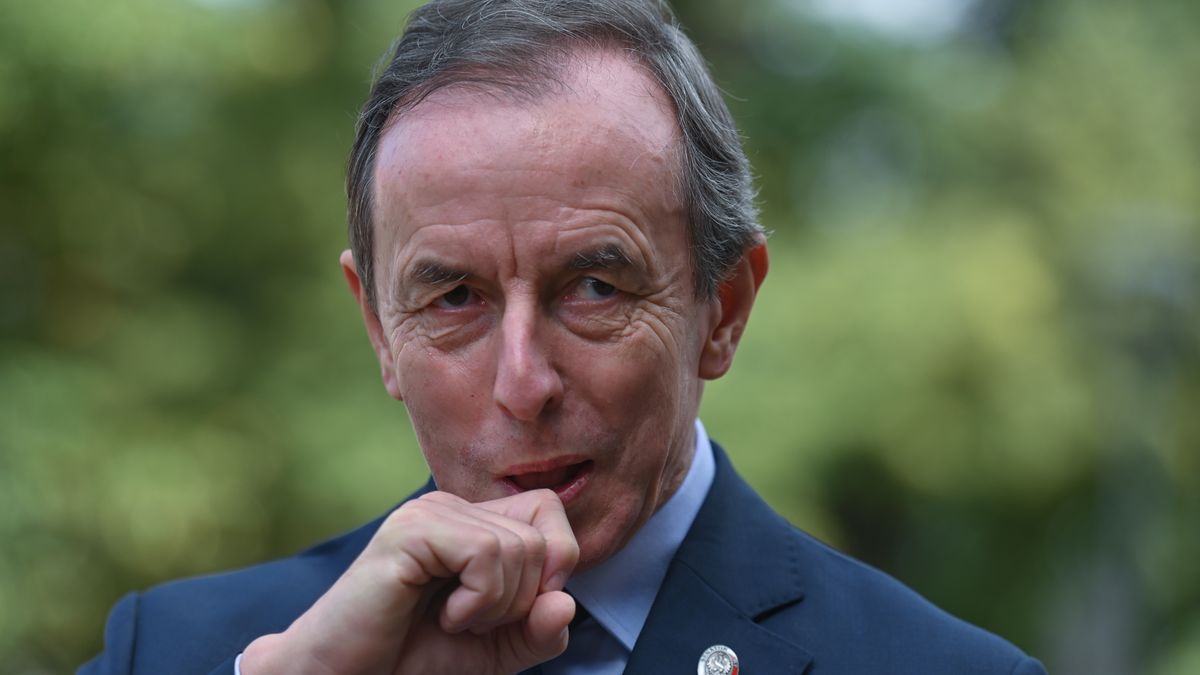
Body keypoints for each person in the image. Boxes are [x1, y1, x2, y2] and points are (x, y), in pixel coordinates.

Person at [81, 1, 1049, 673]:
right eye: (453, 298)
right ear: (378, 327)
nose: (523, 381)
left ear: (725, 308)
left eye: (592, 287)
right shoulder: (180, 653)